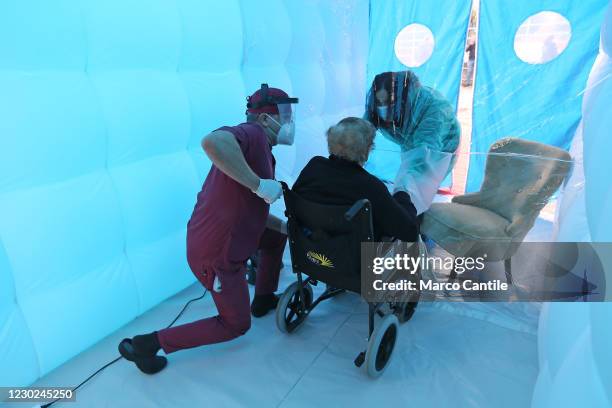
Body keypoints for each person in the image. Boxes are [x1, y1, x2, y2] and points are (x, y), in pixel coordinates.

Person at [118, 84, 298, 374]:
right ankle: (147, 344)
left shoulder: (260, 149)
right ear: (265, 119)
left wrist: (287, 227)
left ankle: (263, 297)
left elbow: (252, 208)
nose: (290, 123)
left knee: (276, 237)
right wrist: (258, 184)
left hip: (226, 235)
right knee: (235, 324)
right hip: (216, 253)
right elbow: (212, 142)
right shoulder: (252, 134)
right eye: (285, 115)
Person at [292, 117, 418, 242]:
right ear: (367, 149)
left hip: (311, 256)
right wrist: (402, 194)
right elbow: (410, 232)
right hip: (359, 260)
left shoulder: (314, 167)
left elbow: (295, 206)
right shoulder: (370, 186)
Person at [364, 71, 461, 215]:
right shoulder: (377, 104)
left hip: (442, 147)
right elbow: (363, 129)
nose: (383, 108)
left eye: (388, 104)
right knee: (407, 185)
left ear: (400, 100)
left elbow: (423, 159)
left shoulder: (435, 110)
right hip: (412, 143)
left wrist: (402, 194)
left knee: (419, 189)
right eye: (380, 103)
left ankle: (416, 221)